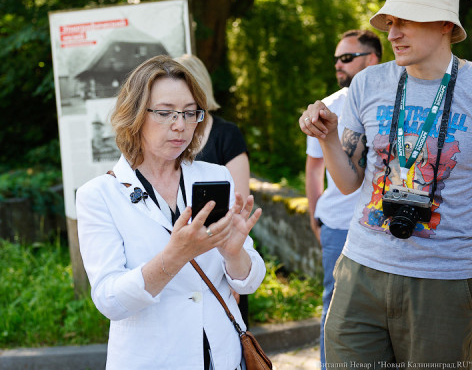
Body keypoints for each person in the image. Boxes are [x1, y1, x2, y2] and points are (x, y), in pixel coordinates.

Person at [300, 0, 472, 364]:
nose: (393, 34)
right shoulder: (368, 83)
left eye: (406, 21)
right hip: (361, 269)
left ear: (445, 24)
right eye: (391, 22)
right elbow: (349, 183)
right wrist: (328, 137)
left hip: (444, 280)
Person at [76, 55, 265, 369]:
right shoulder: (98, 196)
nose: (180, 125)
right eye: (165, 113)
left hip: (223, 358)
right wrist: (174, 256)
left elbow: (249, 282)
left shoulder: (215, 177)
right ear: (135, 115)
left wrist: (235, 254)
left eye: (190, 113)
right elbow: (110, 301)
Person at [304, 29, 381, 365]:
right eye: (336, 58)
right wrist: (315, 218)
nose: (338, 64)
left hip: (383, 227)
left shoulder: (394, 101)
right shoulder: (328, 106)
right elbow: (313, 169)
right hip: (338, 226)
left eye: (347, 58)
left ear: (372, 59)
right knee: (335, 310)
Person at [175, 53, 252, 328]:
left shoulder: (226, 134)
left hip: (221, 257)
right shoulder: (171, 138)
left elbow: (238, 206)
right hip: (183, 264)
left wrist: (233, 266)